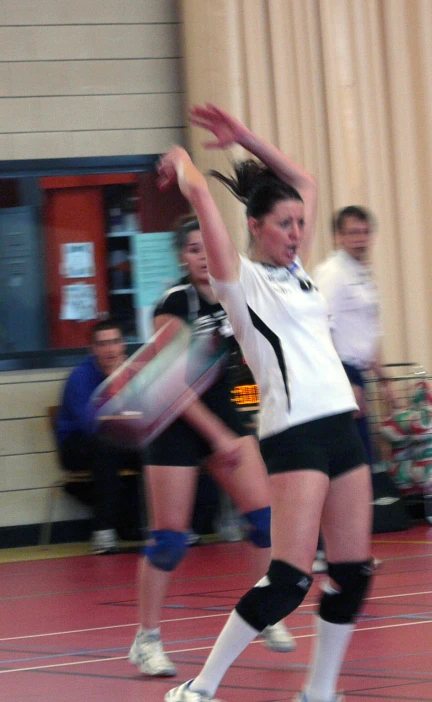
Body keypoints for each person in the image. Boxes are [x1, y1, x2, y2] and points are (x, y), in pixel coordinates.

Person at [157, 103, 374, 702]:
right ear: (255, 227)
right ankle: (202, 687)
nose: (296, 234)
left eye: (301, 224)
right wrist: (186, 168)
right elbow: (207, 204)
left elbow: (300, 180)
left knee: (353, 576)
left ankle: (319, 692)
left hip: (340, 430)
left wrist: (243, 138)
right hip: (295, 435)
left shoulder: (299, 273)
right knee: (289, 580)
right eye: (284, 225)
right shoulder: (241, 284)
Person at [128, 215, 295, 679]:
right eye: (195, 250)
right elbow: (171, 381)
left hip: (223, 414)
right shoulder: (173, 303)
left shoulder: (231, 292)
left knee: (264, 520)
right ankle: (147, 639)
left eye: (210, 248)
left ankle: (265, 614)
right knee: (169, 540)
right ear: (183, 256)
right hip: (173, 422)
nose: (204, 257)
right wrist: (218, 438)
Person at [312, 206, 395, 573]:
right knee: (344, 467)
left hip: (357, 373)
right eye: (352, 233)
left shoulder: (362, 274)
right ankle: (329, 551)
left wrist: (382, 376)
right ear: (338, 236)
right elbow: (320, 327)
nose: (359, 239)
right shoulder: (333, 274)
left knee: (356, 467)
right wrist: (344, 382)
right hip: (339, 376)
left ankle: (349, 551)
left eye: (364, 231)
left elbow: (366, 331)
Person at [55, 319, 142, 554]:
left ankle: (169, 527)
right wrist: (116, 383)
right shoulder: (80, 377)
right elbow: (92, 424)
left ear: (123, 344)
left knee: (162, 448)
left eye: (115, 342)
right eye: (103, 344)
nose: (110, 350)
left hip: (123, 441)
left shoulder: (136, 372)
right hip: (77, 444)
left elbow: (149, 412)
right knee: (104, 447)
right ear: (93, 349)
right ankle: (103, 531)